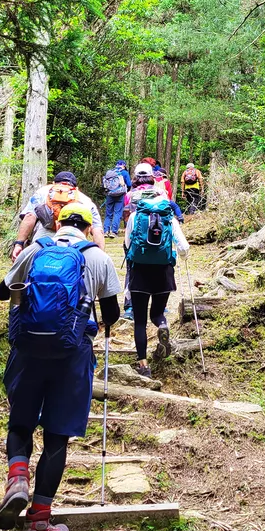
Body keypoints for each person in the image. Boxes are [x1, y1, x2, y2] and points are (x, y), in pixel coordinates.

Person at [0, 201, 120, 531]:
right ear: (87, 228)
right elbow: (111, 314)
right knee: (57, 437)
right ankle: (38, 525)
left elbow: (4, 292)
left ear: (58, 223)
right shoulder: (97, 258)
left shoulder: (35, 249)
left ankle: (17, 479)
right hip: (71, 356)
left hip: (27, 353)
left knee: (20, 424)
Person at [124, 165, 189, 378]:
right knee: (157, 312)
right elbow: (183, 247)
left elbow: (127, 243)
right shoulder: (168, 214)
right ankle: (162, 325)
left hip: (140, 272)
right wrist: (182, 256)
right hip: (163, 271)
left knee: (140, 320)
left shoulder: (136, 216)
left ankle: (143, 365)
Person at [122, 164, 184, 322]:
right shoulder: (161, 192)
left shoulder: (130, 194)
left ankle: (130, 307)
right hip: (159, 237)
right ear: (151, 176)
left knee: (132, 269)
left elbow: (126, 215)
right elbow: (167, 211)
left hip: (136, 237)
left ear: (135, 176)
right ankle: (160, 305)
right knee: (161, 265)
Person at [12, 171, 105, 258]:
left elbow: (29, 216)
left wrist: (19, 244)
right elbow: (97, 230)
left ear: (54, 183)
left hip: (44, 237)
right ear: (75, 187)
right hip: (75, 239)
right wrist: (100, 256)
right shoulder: (85, 199)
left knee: (37, 264)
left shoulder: (42, 192)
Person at [102, 161, 130, 238]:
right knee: (117, 213)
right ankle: (114, 232)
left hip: (110, 195)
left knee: (108, 214)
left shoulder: (110, 172)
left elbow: (104, 185)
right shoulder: (124, 173)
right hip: (120, 195)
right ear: (124, 166)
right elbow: (129, 184)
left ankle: (105, 231)